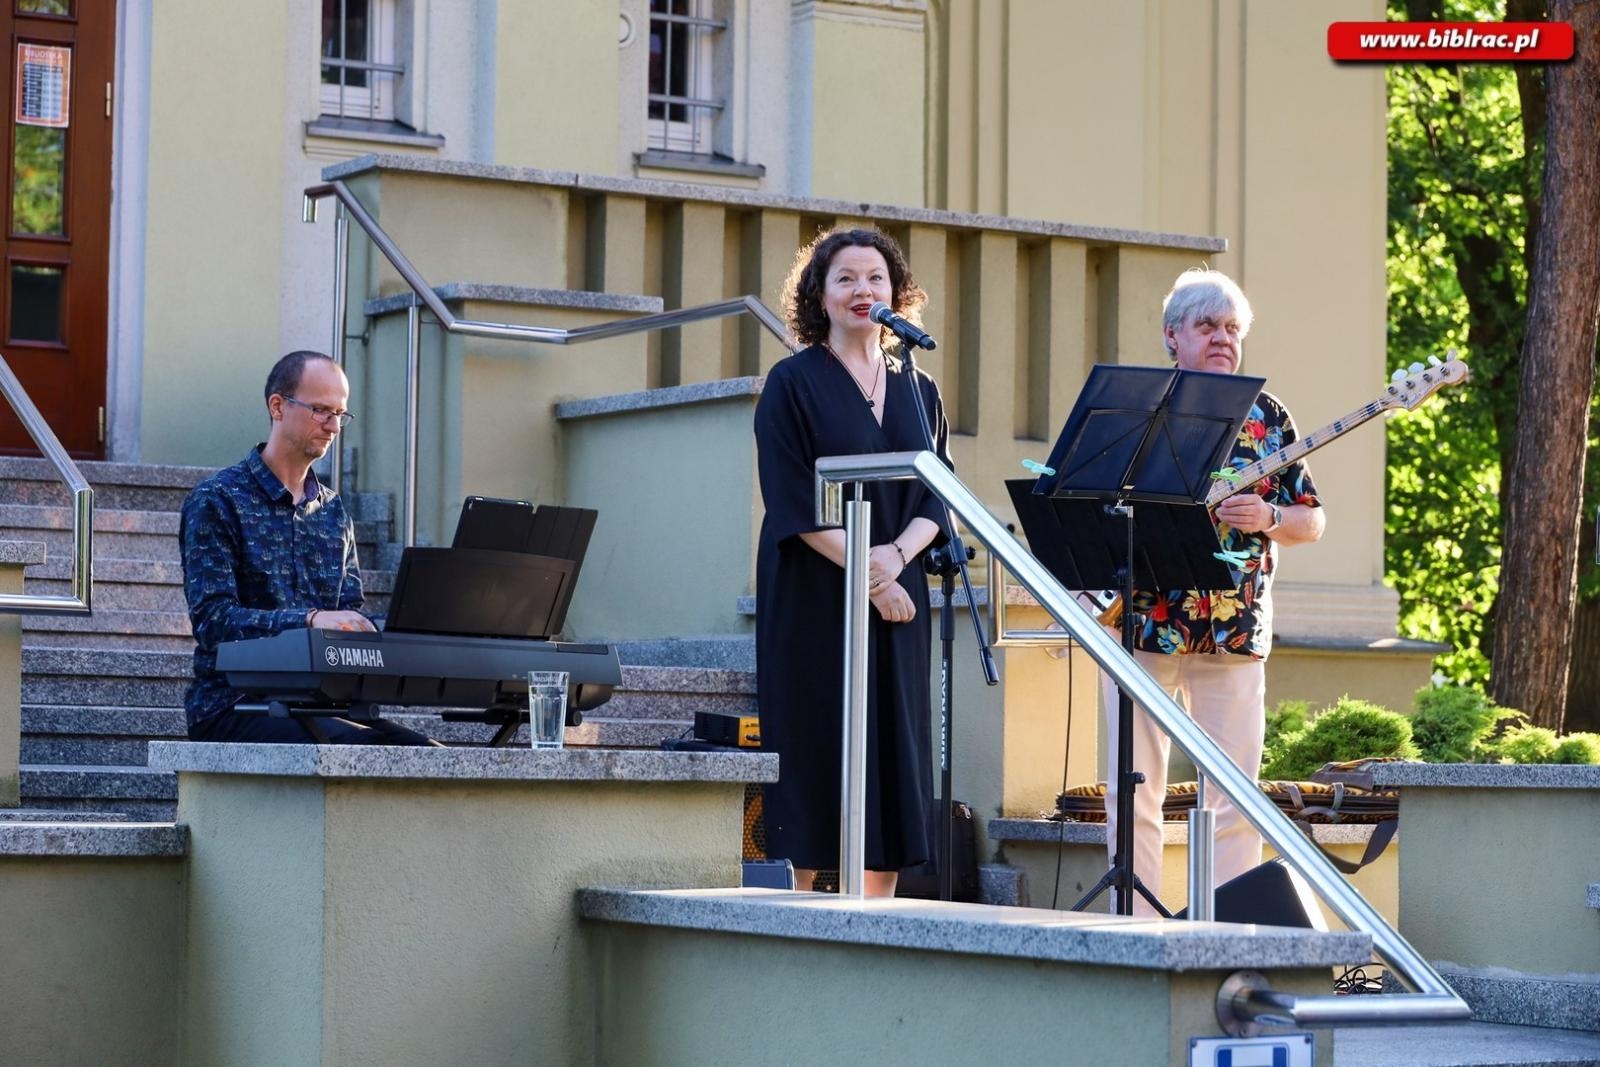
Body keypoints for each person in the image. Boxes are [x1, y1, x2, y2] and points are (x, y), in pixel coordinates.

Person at [1104, 269, 1324, 915]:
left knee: (1234, 792)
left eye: (1232, 328)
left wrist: (1271, 519)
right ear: (1173, 335)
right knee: (1133, 787)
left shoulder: (1269, 415)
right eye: (1207, 326)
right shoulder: (1138, 408)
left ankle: (1226, 930)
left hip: (1234, 628)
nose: (1223, 338)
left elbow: (1311, 517)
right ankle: (1136, 929)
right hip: (1144, 619)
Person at [754, 229, 950, 898]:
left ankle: (877, 920)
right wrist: (873, 577)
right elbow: (791, 503)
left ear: (897, 294)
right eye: (846, 278)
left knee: (893, 751)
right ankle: (794, 912)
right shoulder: (791, 382)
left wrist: (895, 561)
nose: (863, 290)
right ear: (819, 294)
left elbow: (936, 494)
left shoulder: (918, 389)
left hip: (898, 593)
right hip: (815, 592)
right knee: (814, 745)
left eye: (875, 279)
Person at [180, 350, 438, 745]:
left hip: (321, 707)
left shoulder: (334, 512)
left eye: (340, 413)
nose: (333, 425)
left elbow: (349, 616)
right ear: (278, 406)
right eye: (321, 410)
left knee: (427, 754)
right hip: (233, 707)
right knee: (366, 750)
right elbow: (214, 621)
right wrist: (310, 620)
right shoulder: (217, 499)